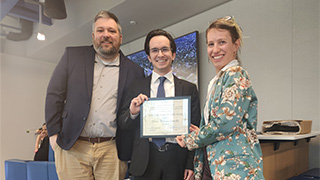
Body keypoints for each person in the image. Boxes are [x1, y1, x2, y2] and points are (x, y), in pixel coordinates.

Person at [45, 10, 144, 180]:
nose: (106, 35)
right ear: (93, 36)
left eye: (112, 31)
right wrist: (53, 135)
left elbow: (131, 114)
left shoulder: (135, 71)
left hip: (112, 149)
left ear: (120, 37)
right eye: (100, 30)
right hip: (73, 146)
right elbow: (54, 95)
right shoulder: (72, 56)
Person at [176, 16, 265, 180]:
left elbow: (224, 123)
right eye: (210, 44)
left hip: (234, 168)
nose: (215, 49)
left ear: (236, 45)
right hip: (215, 164)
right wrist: (201, 131)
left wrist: (191, 139)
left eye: (222, 42)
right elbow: (220, 123)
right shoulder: (217, 80)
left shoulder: (236, 74)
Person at [118, 29, 201, 180]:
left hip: (177, 160)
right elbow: (123, 124)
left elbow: (195, 129)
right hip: (144, 159)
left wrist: (191, 163)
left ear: (173, 54)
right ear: (149, 57)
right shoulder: (135, 87)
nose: (160, 55)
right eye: (155, 50)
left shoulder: (189, 89)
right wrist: (133, 113)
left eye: (165, 49)